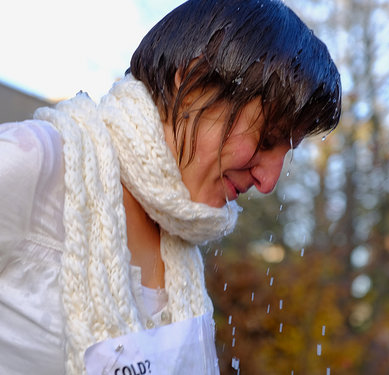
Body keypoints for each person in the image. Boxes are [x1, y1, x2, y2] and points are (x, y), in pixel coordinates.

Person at [0, 0, 341, 374]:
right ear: (194, 82)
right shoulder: (34, 163)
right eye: (267, 140)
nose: (269, 181)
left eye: (286, 153)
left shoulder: (180, 234)